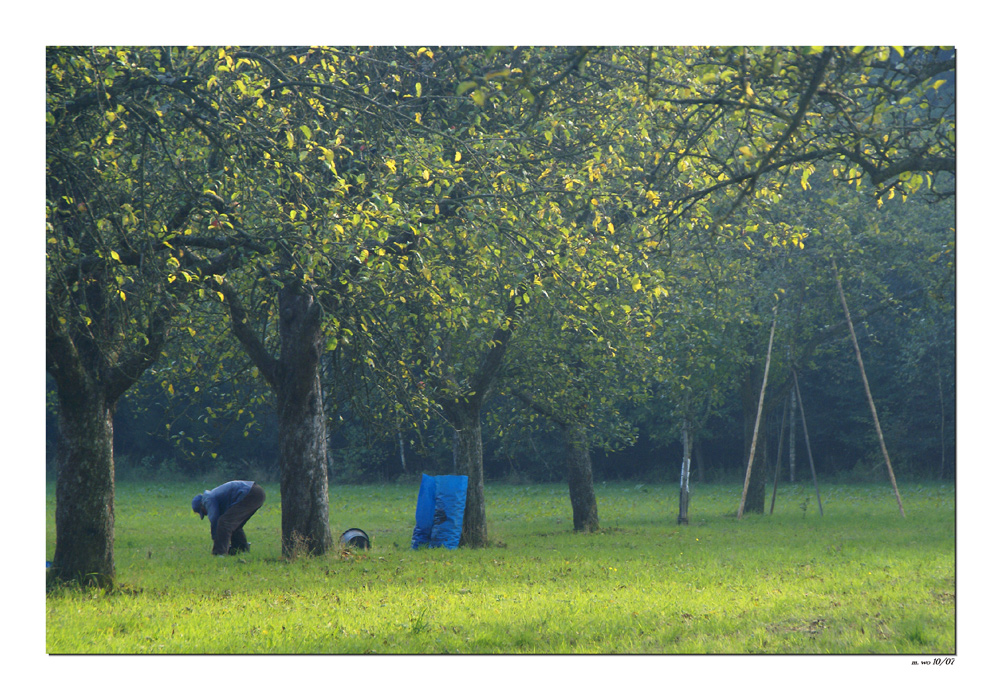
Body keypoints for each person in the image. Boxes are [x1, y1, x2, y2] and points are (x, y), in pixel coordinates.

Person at [191, 480, 266, 556]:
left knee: (224, 522)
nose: (206, 514)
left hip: (250, 493)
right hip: (257, 492)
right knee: (233, 524)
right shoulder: (216, 498)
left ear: (202, 506)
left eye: (203, 512)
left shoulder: (207, 499)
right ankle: (240, 549)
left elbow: (215, 520)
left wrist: (216, 538)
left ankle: (219, 553)